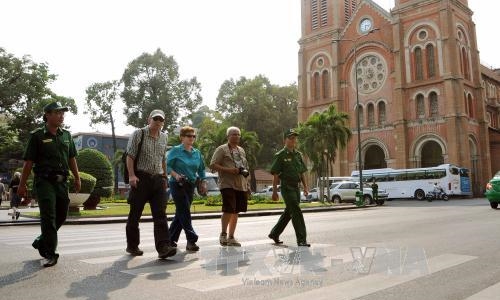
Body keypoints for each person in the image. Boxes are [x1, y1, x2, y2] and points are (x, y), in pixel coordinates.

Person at [17, 101, 81, 267]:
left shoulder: (66, 135)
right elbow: (28, 162)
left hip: (62, 182)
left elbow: (72, 158)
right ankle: (50, 253)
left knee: (61, 215)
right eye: (57, 112)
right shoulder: (37, 135)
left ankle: (41, 241)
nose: (61, 116)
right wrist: (22, 185)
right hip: (44, 182)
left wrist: (77, 177)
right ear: (47, 115)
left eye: (62, 113)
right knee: (48, 217)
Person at [125, 109, 176, 259]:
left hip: (158, 179)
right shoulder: (138, 133)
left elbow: (163, 159)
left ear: (163, 122)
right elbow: (130, 156)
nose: (158, 122)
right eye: (155, 119)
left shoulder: (164, 137)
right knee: (135, 214)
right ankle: (132, 245)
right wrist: (132, 175)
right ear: (149, 119)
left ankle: (163, 247)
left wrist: (165, 177)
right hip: (141, 178)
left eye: (161, 120)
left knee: (160, 214)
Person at [167, 126, 207, 252]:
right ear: (182, 137)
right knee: (184, 211)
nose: (192, 138)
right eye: (189, 136)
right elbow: (167, 166)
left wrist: (203, 182)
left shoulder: (197, 153)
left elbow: (201, 169)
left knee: (181, 212)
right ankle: (191, 239)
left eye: (193, 136)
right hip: (177, 184)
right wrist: (176, 175)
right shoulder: (175, 150)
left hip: (190, 185)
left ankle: (170, 239)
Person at [268, 128, 310, 247]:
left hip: (296, 188)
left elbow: (302, 172)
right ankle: (301, 239)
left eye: (294, 138)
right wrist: (275, 192)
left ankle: (274, 233)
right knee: (296, 211)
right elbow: (276, 174)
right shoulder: (280, 155)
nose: (293, 140)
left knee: (289, 212)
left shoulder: (298, 155)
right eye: (290, 138)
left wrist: (306, 187)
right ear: (285, 140)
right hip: (286, 187)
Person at [210, 126, 251, 247]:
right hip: (227, 183)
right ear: (228, 136)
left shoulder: (241, 150)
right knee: (229, 208)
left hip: (241, 184)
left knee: (236, 211)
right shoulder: (221, 149)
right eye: (233, 134)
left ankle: (231, 237)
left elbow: (245, 167)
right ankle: (223, 234)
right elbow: (213, 165)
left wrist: (248, 184)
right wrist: (229, 170)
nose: (236, 136)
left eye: (238, 134)